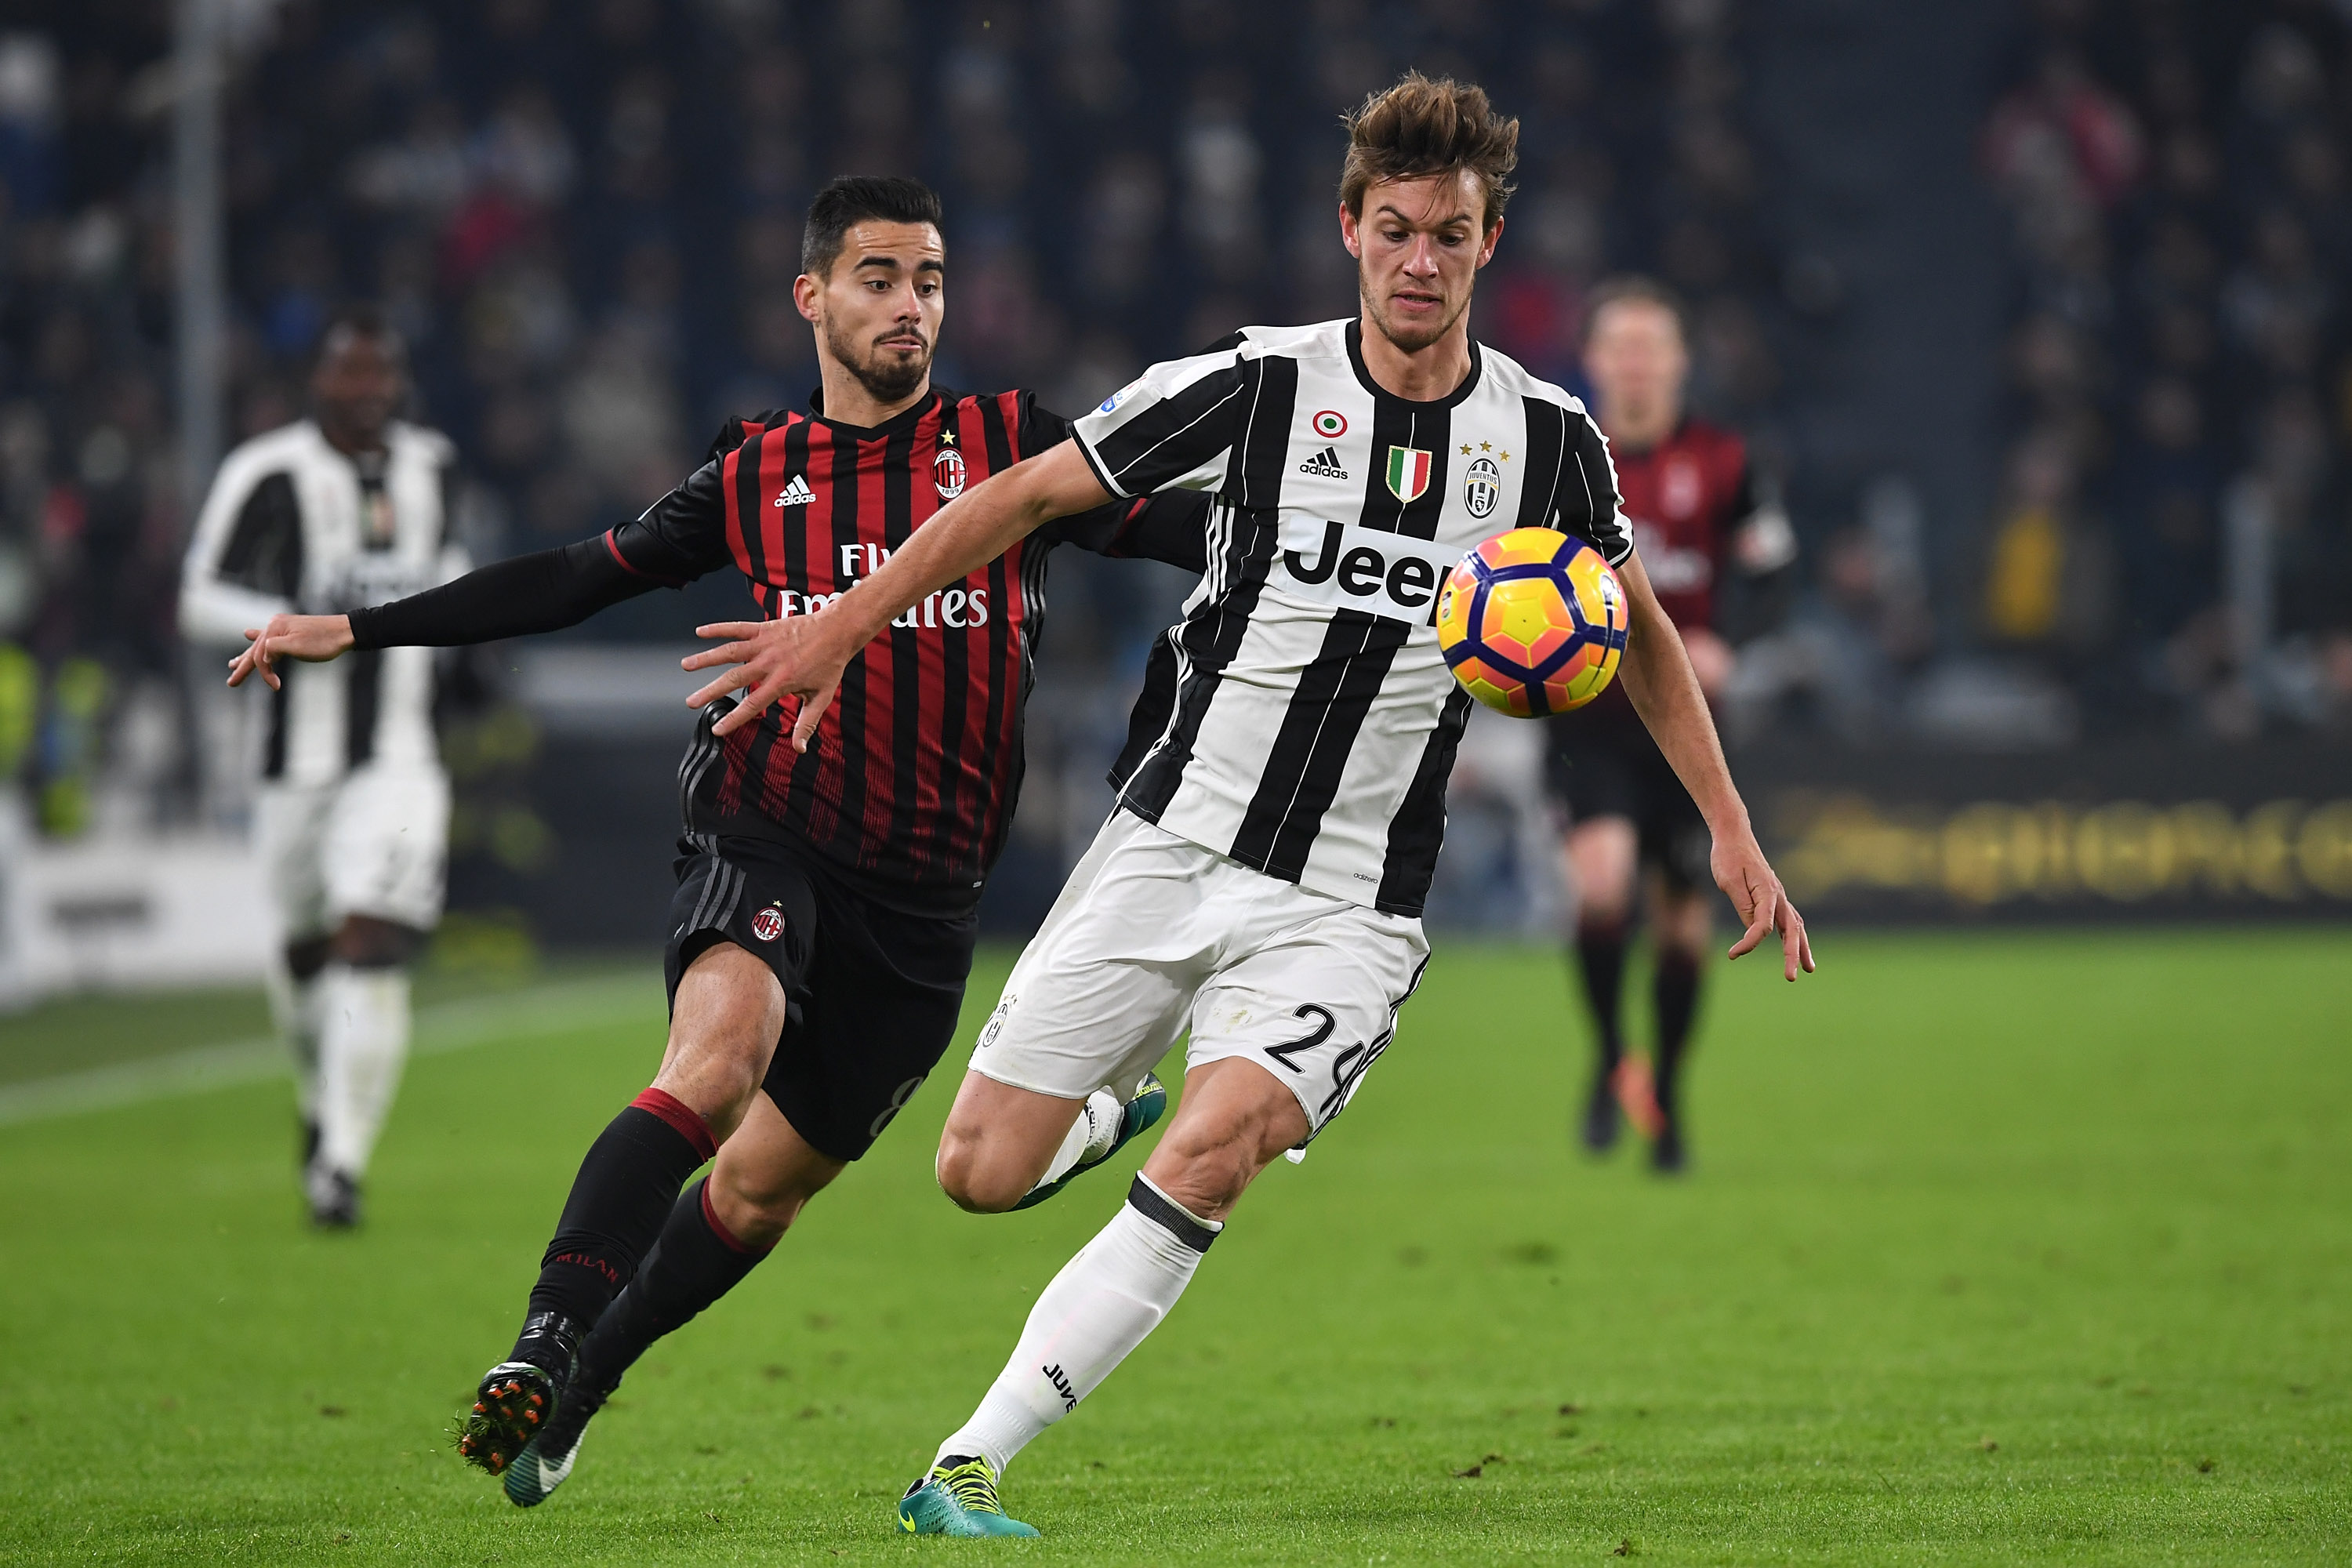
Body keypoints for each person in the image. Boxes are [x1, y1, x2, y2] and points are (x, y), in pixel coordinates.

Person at [695, 75, 1815, 1537]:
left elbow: (1640, 626)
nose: (1423, 261)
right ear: (1350, 228)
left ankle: (966, 1463)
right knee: (977, 1173)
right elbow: (1019, 499)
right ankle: (1101, 1119)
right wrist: (844, 621)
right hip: (1169, 844)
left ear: (1490, 245)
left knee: (1216, 1154)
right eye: (1398, 230)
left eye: (1454, 236)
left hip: (1351, 903)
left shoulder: (1551, 447)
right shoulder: (1255, 384)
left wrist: (1729, 827)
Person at [223, 175, 1206, 1503]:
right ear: (812, 296)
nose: (909, 305)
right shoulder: (758, 473)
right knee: (716, 1061)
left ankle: (584, 1383)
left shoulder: (1009, 445)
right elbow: (578, 575)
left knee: (754, 1197)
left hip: (925, 903)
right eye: (877, 277)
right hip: (771, 828)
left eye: (926, 277)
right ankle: (539, 1340)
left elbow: (1186, 531)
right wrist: (361, 626)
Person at [180, 307, 466, 1228]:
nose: (367, 391)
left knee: (369, 936)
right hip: (294, 761)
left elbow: (453, 568)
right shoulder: (266, 472)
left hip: (400, 754)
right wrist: (286, 618)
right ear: (320, 382)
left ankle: (340, 1163)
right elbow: (197, 596)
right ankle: (318, 1102)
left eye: (380, 374)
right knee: (306, 948)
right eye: (349, 375)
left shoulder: (434, 467)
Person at [1548, 277, 1798, 1172]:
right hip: (1589, 720)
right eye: (1622, 345)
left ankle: (1671, 1095)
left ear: (1681, 361)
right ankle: (1612, 1059)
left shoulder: (1730, 462)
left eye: (1654, 345)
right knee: (1602, 888)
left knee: (1685, 928)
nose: (1638, 361)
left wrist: (1729, 640)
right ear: (1595, 361)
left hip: (1690, 737)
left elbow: (1773, 577)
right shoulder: (1563, 456)